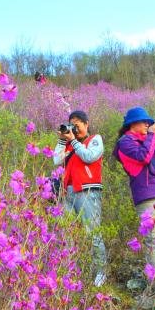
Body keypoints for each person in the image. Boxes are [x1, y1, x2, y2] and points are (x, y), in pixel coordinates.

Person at [112, 107, 155, 305]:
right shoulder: (125, 143)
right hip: (146, 196)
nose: (148, 125)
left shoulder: (149, 139)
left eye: (149, 122)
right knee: (154, 239)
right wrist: (152, 136)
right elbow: (143, 157)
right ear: (132, 124)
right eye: (144, 122)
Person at [53, 110, 107, 287]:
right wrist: (63, 140)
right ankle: (70, 271)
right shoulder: (69, 145)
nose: (74, 129)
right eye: (71, 125)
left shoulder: (95, 139)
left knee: (92, 232)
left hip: (88, 191)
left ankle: (100, 272)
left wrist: (74, 141)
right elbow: (56, 160)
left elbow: (89, 157)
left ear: (86, 124)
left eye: (77, 125)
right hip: (67, 192)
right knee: (67, 233)